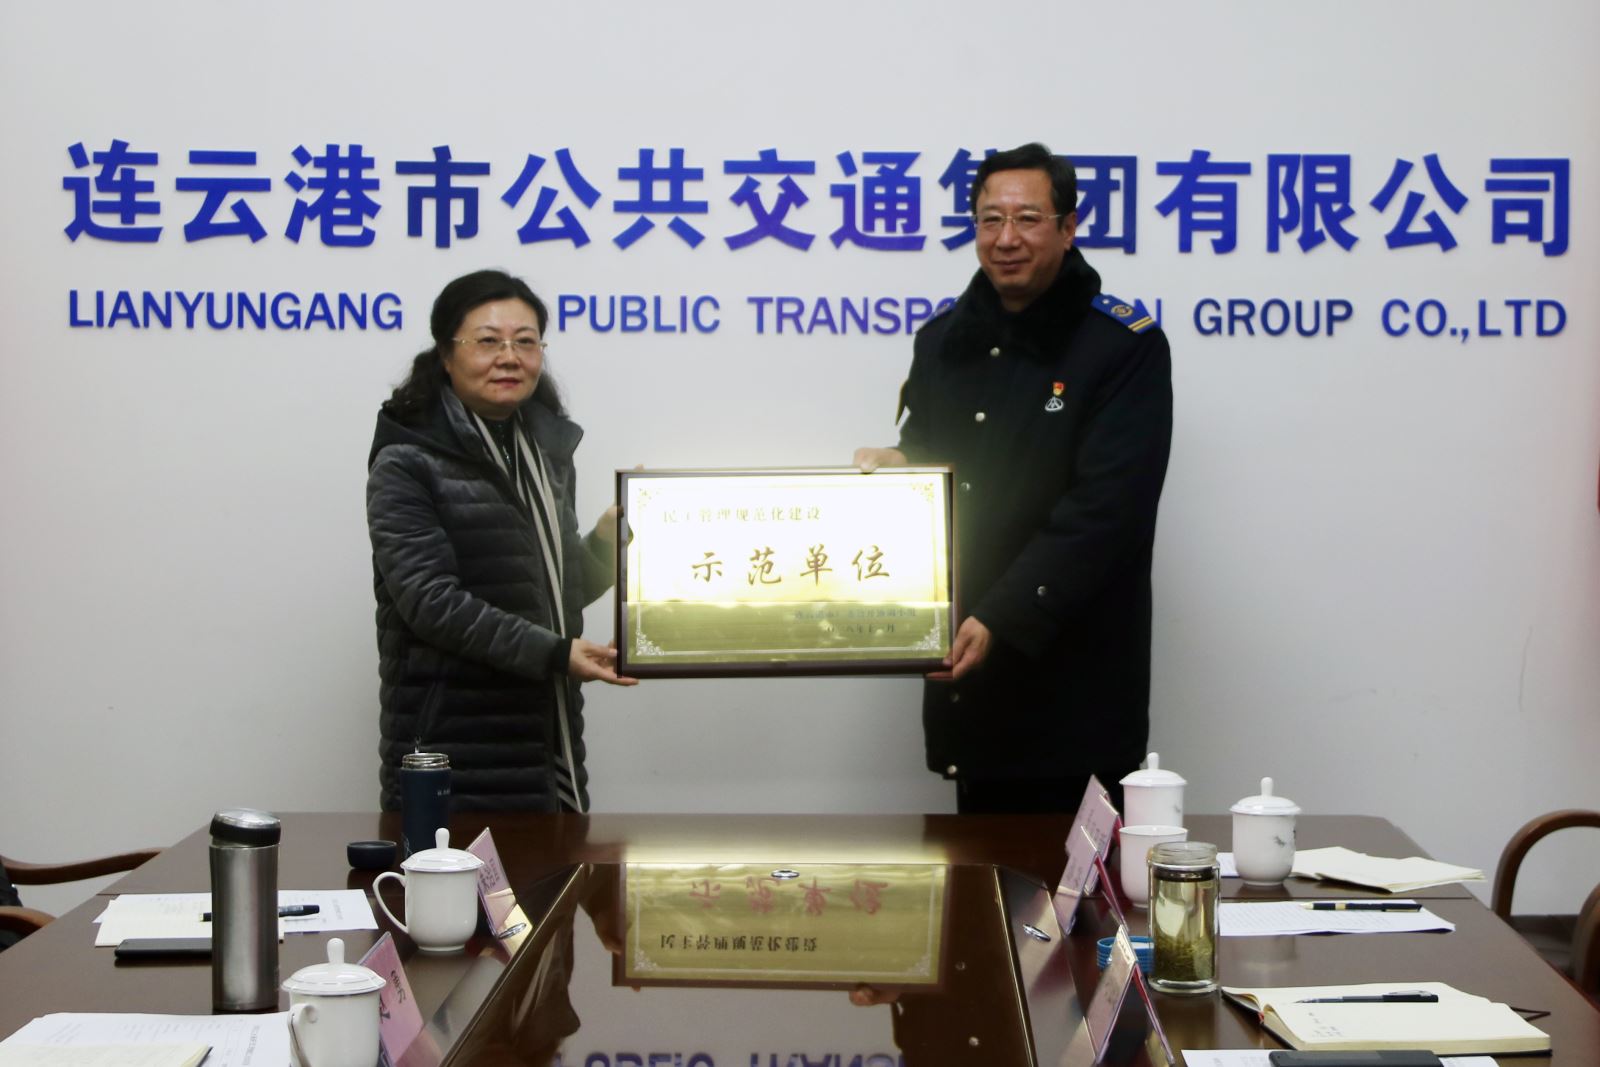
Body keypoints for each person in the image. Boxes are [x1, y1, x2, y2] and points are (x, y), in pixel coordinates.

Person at [854, 143, 1172, 815]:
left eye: (1027, 219)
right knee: (976, 875)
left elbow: (1106, 512)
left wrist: (1001, 615)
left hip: (1074, 680)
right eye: (990, 219)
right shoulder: (943, 339)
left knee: (1076, 880)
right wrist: (899, 467)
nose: (1006, 239)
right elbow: (929, 448)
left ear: (1068, 227)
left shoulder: (1123, 347)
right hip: (969, 670)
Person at [367, 269, 635, 814]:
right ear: (446, 354)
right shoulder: (406, 461)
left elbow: (551, 593)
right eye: (488, 341)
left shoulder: (545, 452)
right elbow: (431, 604)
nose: (509, 357)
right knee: (456, 875)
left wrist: (606, 544)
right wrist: (556, 653)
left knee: (548, 872)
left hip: (545, 741)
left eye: (526, 342)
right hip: (451, 748)